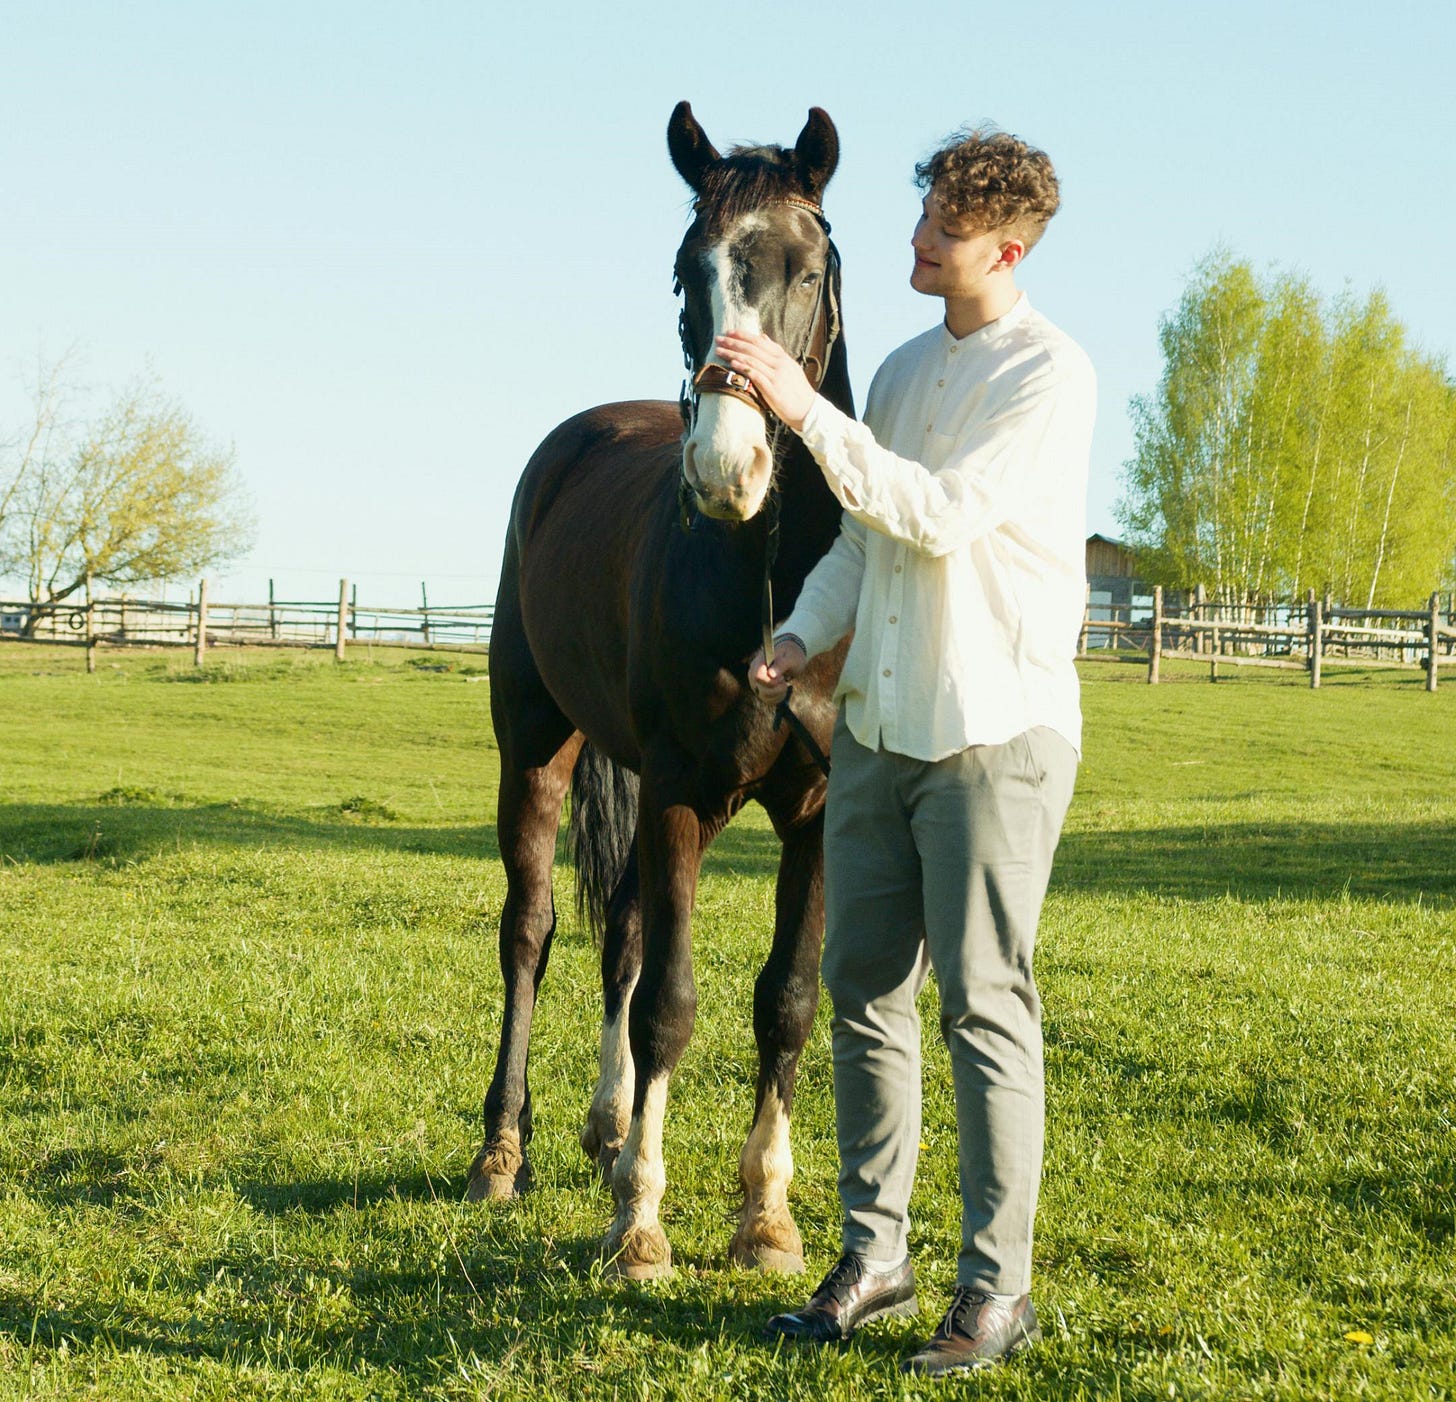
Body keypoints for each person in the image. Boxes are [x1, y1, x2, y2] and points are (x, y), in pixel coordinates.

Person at [716, 126, 1094, 1377]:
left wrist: (796, 405)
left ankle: (996, 1288)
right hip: (877, 728)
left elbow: (931, 515)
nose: (918, 237)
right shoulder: (892, 370)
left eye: (940, 223)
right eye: (923, 210)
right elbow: (863, 548)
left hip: (995, 733)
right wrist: (797, 635)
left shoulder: (1048, 377)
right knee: (862, 997)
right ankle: (874, 1257)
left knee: (984, 1009)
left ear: (1005, 246)